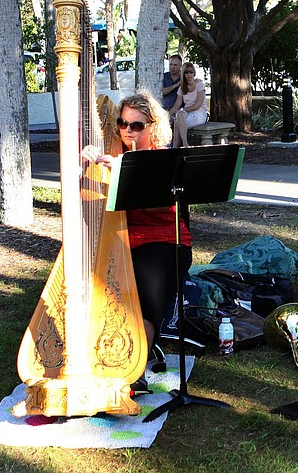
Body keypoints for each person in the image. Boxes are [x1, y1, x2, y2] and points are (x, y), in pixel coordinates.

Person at [81, 90, 190, 395]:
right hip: (124, 240)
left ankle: (134, 368)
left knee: (144, 284)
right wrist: (83, 165)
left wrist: (124, 172)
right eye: (122, 123)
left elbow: (160, 208)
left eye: (137, 125)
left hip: (166, 241)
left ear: (153, 127)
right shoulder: (115, 155)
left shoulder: (163, 159)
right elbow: (86, 201)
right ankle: (95, 353)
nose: (127, 130)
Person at [168, 62, 208, 148]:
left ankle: (183, 144)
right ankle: (177, 147)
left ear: (194, 73)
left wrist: (183, 110)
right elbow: (176, 106)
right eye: (186, 72)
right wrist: (166, 116)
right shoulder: (182, 88)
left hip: (199, 113)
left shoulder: (199, 85)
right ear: (183, 74)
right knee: (179, 115)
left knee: (178, 119)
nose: (189, 75)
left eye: (191, 72)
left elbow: (197, 105)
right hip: (188, 113)